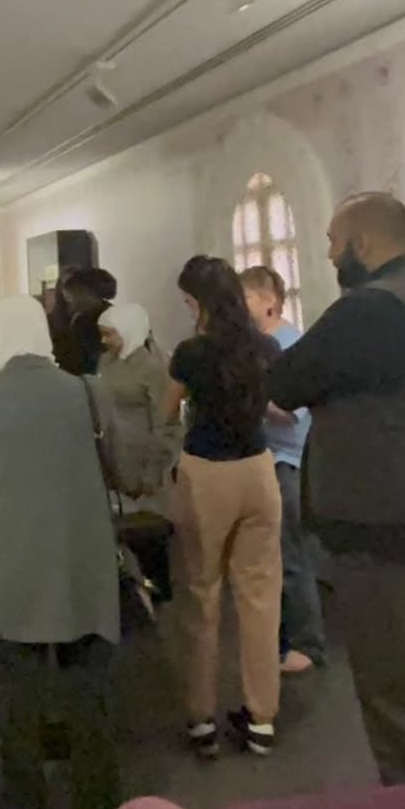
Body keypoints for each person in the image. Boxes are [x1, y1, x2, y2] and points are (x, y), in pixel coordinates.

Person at [270, 193, 405, 785]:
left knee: (403, 706)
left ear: (361, 243)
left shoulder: (373, 308)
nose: (329, 256)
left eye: (333, 244)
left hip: (398, 532)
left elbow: (285, 380)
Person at [0, 295, 121, 809]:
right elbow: (114, 464)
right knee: (89, 703)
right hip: (83, 567)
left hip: (14, 574)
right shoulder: (88, 391)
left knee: (18, 710)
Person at [167, 257, 282, 760]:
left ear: (198, 302)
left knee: (202, 595)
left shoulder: (191, 352)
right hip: (259, 471)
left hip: (207, 474)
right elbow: (277, 404)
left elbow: (167, 410)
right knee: (260, 598)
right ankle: (261, 719)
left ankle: (202, 719)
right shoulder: (265, 347)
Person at [241, 266, 326, 675]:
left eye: (246, 298)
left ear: (269, 300)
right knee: (275, 554)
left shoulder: (289, 346)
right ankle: (285, 639)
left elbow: (293, 413)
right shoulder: (263, 346)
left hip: (289, 461)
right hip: (272, 458)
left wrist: (250, 398)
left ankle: (308, 644)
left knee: (291, 555)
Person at [96, 301, 178, 501]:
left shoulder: (151, 367)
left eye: (109, 334)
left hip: (141, 457)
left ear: (127, 332)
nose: (103, 341)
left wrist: (153, 473)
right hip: (110, 452)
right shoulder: (105, 362)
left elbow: (165, 423)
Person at [56, 267, 117, 376]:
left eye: (73, 295)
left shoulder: (87, 320)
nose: (71, 301)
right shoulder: (85, 316)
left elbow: (80, 361)